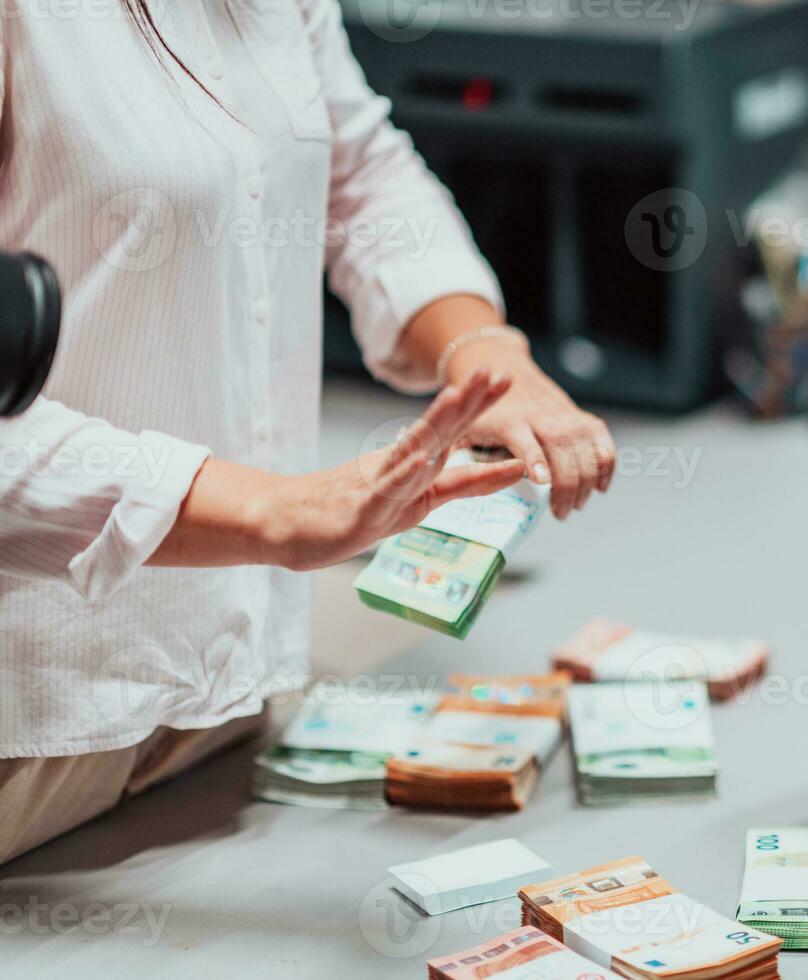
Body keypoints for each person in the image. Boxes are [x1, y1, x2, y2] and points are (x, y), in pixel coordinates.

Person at [0, 0, 615, 864]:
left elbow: (358, 170)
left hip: (225, 688)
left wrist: (483, 352)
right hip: (33, 721)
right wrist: (273, 513)